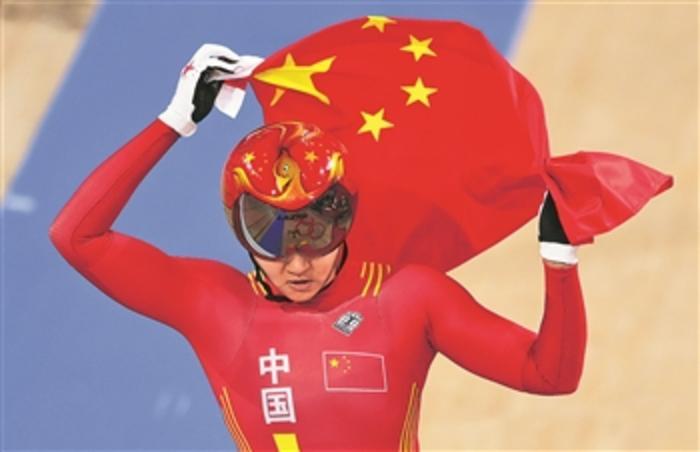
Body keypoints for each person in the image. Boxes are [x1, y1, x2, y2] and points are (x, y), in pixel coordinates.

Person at [50, 44, 585, 452]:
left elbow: (550, 375)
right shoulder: (214, 305)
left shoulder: (409, 299)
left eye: (316, 239)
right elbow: (75, 237)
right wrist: (175, 122)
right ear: (240, 230)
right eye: (273, 243)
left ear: (344, 220)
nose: (298, 264)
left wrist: (558, 257)